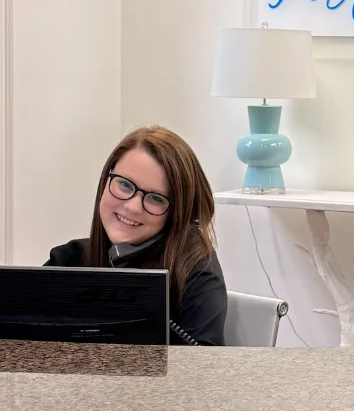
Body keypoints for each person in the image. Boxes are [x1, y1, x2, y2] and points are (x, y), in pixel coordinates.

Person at [46, 126, 227, 345]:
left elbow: (204, 371)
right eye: (124, 184)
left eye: (155, 198)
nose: (132, 207)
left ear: (175, 216)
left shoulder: (198, 276)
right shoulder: (67, 261)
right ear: (106, 181)